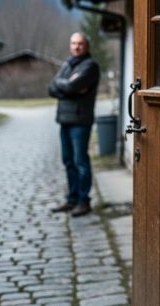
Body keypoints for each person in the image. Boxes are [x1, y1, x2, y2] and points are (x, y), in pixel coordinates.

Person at [48, 32, 101, 217]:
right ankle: (71, 200)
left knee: (80, 162)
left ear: (87, 46)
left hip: (80, 121)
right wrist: (67, 87)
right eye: (73, 43)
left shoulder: (90, 66)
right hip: (64, 120)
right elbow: (52, 87)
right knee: (68, 161)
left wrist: (66, 87)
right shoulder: (67, 65)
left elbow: (70, 87)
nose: (76, 46)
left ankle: (83, 201)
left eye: (80, 43)